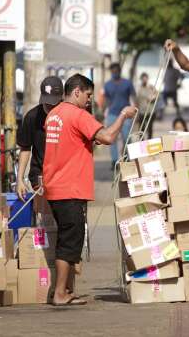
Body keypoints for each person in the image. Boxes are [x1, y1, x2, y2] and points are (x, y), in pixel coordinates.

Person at [43, 74, 136, 306]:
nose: (89, 100)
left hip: (55, 186)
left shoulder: (54, 114)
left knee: (68, 239)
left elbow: (73, 141)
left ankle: (65, 290)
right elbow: (107, 137)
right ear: (76, 92)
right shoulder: (77, 115)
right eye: (87, 95)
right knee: (69, 242)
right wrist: (123, 115)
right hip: (70, 188)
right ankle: (60, 293)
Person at [16, 76, 64, 200]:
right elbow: (25, 148)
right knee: (47, 215)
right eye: (46, 102)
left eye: (53, 102)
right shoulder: (32, 117)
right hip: (40, 175)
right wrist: (19, 179)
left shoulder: (69, 115)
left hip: (64, 176)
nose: (48, 106)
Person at [104, 63, 135, 169]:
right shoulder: (107, 84)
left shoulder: (127, 83)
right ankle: (114, 161)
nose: (114, 72)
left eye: (116, 70)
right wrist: (106, 111)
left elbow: (133, 96)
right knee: (111, 138)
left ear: (119, 71)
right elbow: (106, 99)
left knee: (127, 138)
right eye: (113, 71)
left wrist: (135, 111)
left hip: (126, 115)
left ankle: (127, 158)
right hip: (112, 115)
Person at [135, 72, 158, 138]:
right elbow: (137, 100)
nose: (144, 80)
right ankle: (141, 141)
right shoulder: (139, 88)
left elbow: (157, 95)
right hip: (142, 110)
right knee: (141, 127)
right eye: (143, 79)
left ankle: (149, 140)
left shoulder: (151, 87)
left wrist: (153, 98)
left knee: (150, 127)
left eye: (145, 79)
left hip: (150, 110)